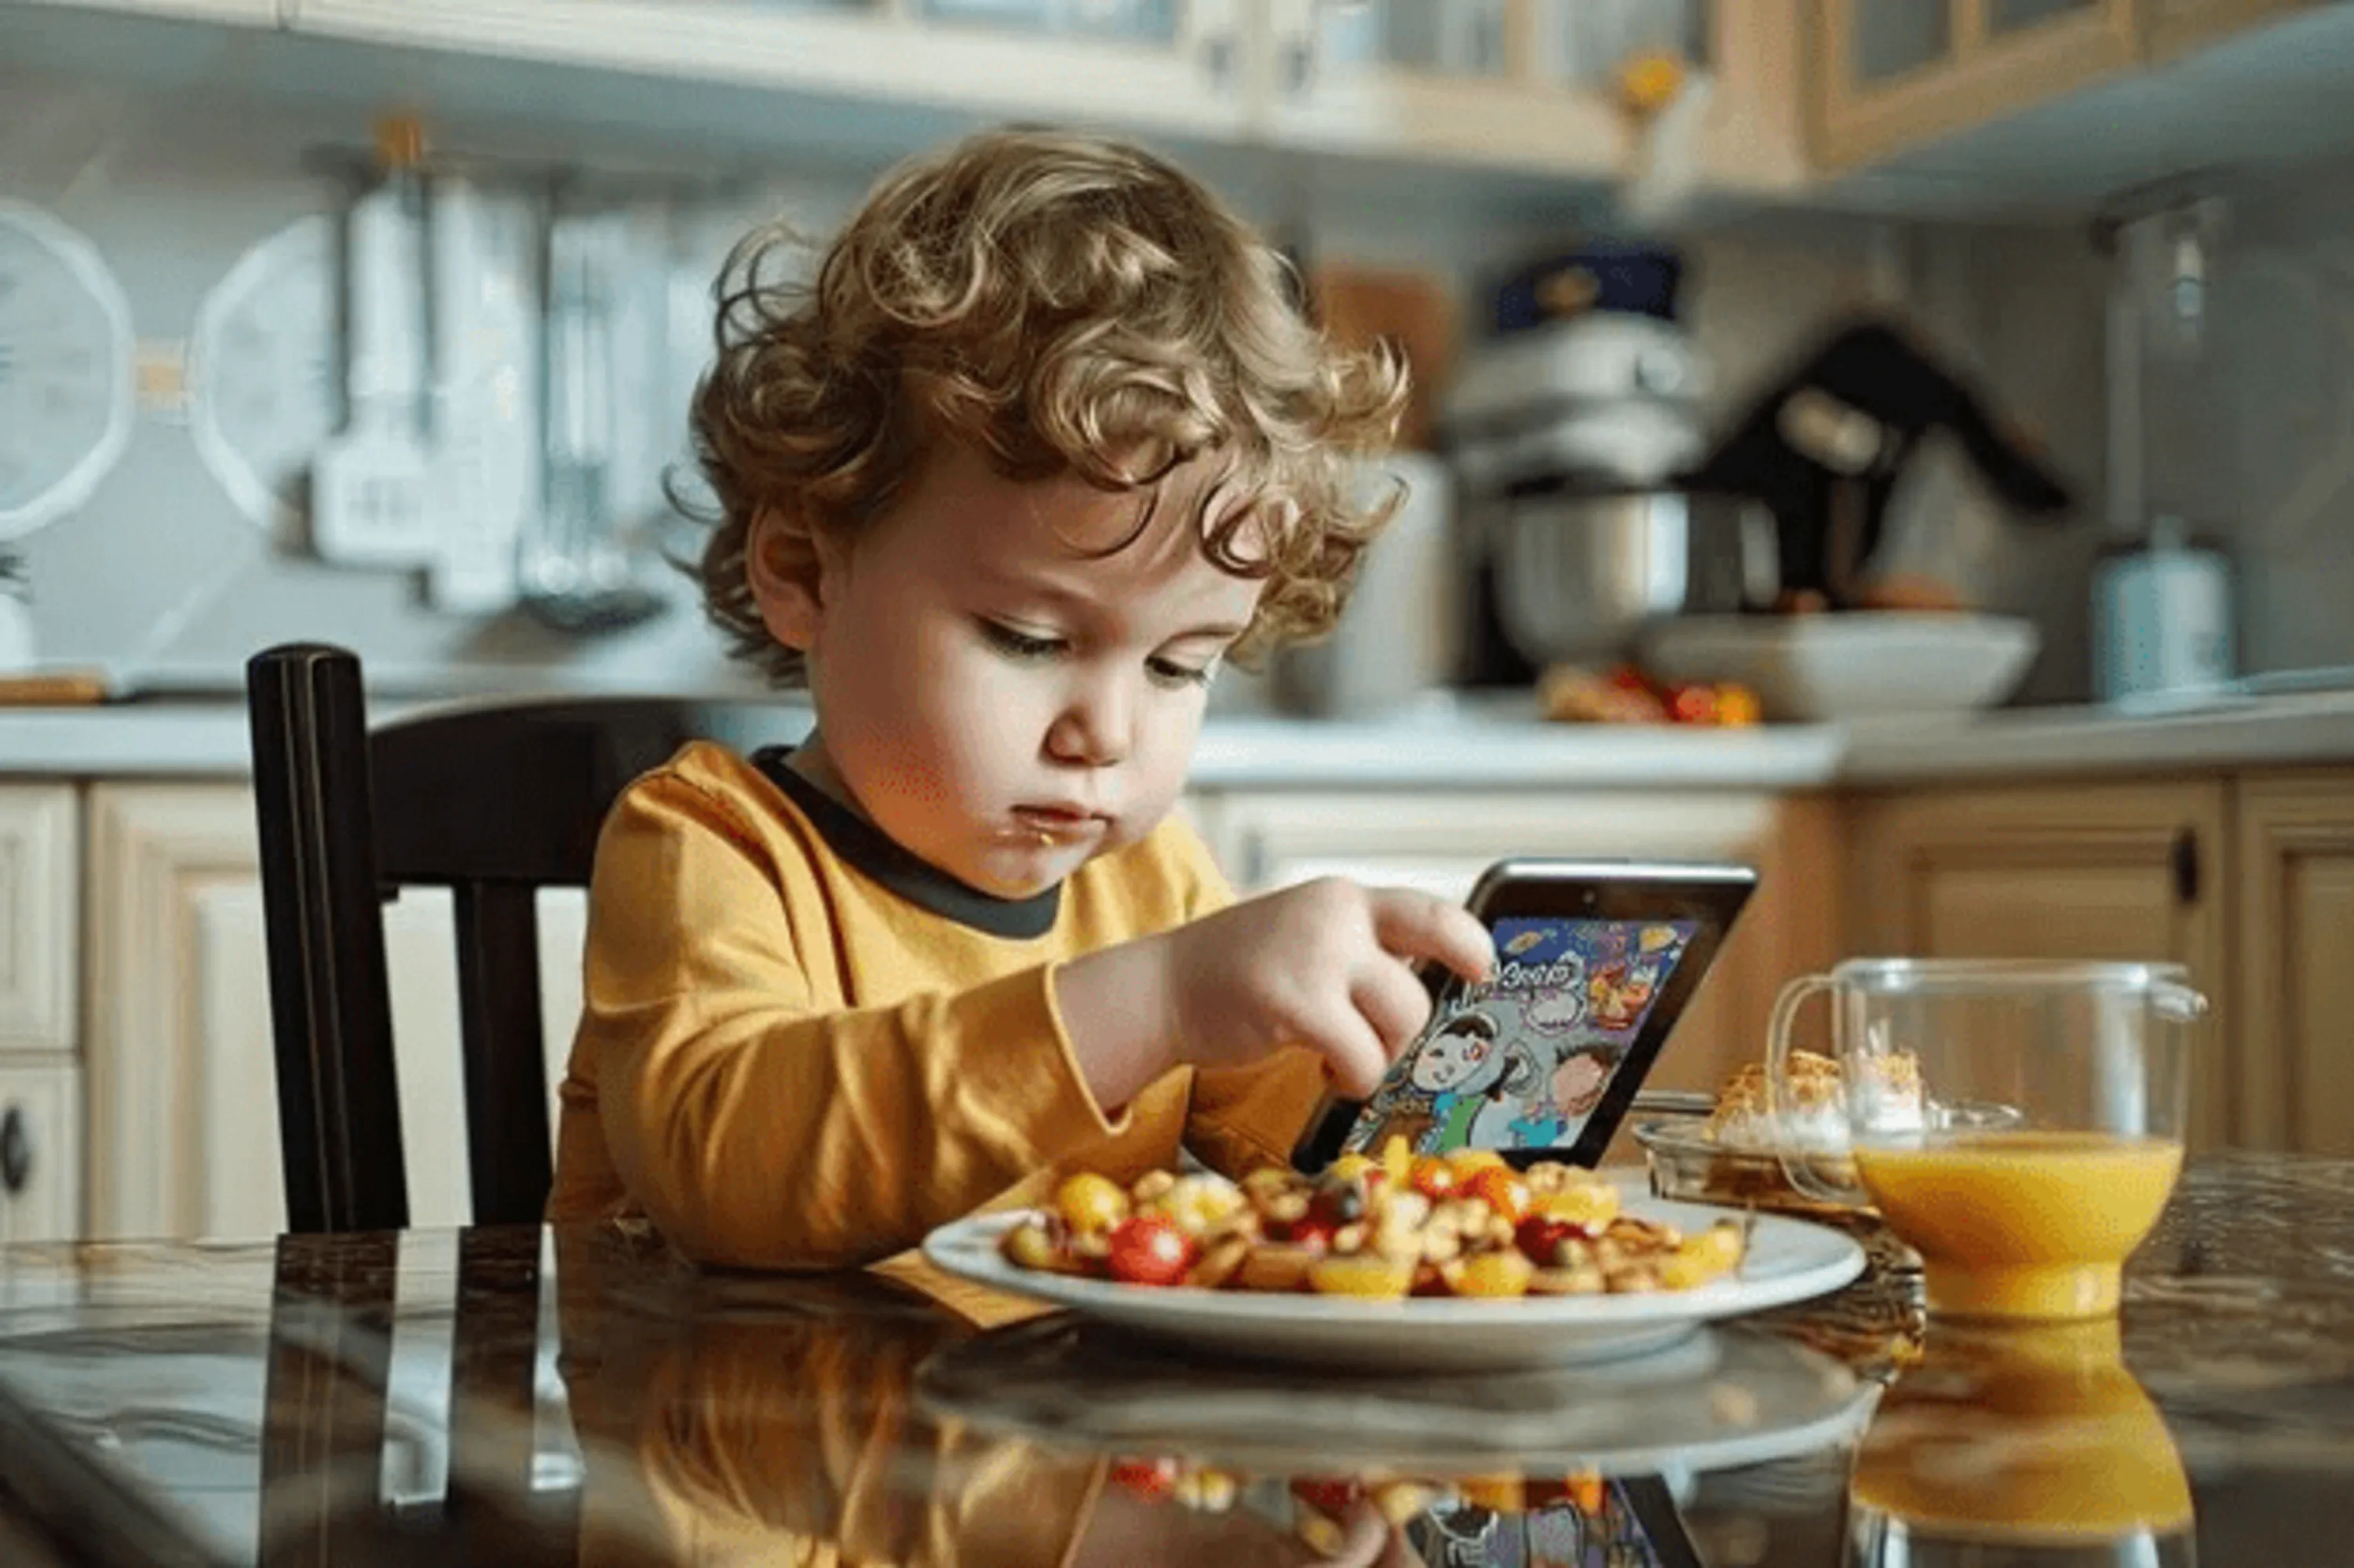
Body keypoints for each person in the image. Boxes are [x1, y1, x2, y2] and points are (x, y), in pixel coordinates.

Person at [545, 126, 1493, 1292]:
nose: (1104, 735)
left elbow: (1319, 1161)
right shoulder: (710, 847)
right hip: (724, 1451)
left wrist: (1428, 1069)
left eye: (1178, 666)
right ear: (803, 569)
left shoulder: (1150, 887)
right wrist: (1156, 998)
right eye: (1030, 639)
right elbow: (729, 1169)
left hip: (1048, 1457)